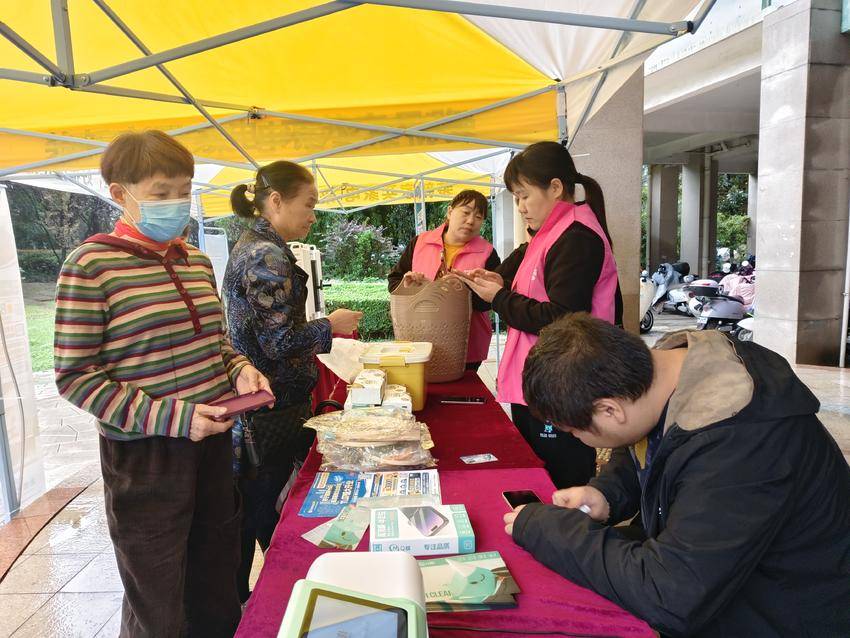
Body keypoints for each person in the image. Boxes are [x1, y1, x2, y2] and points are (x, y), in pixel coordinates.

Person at [505, 313, 850, 637]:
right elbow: (652, 436)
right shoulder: (664, 370)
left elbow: (671, 596)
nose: (577, 439)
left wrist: (551, 531)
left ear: (609, 409)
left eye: (575, 432)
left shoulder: (739, 443)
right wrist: (607, 493)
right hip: (733, 584)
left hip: (783, 615)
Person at [54, 130, 271, 637]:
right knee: (157, 597)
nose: (175, 202)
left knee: (216, 583)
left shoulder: (195, 260)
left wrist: (239, 369)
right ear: (120, 193)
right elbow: (75, 376)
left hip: (213, 445)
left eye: (183, 190)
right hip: (145, 457)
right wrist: (175, 418)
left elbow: (215, 343)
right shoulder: (91, 265)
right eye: (160, 192)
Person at [223, 161, 362, 603]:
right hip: (270, 408)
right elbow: (280, 341)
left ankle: (261, 596)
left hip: (268, 405)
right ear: (276, 200)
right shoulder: (265, 255)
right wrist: (330, 325)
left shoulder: (257, 244)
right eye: (309, 205)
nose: (313, 216)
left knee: (261, 508)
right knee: (266, 509)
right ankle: (267, 600)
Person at [459, 141, 622, 488]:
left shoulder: (577, 237)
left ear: (556, 188)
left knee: (560, 481)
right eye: (516, 198)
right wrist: (499, 284)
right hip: (540, 381)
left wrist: (500, 296)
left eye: (524, 196)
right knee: (537, 475)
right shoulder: (548, 235)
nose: (520, 207)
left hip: (563, 383)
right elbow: (535, 295)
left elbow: (562, 318)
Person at [387, 190, 500, 370]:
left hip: (468, 347)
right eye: (465, 212)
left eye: (478, 217)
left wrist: (461, 291)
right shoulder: (419, 243)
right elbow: (394, 282)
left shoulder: (488, 252)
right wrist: (410, 285)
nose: (471, 220)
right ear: (449, 212)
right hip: (419, 342)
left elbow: (491, 301)